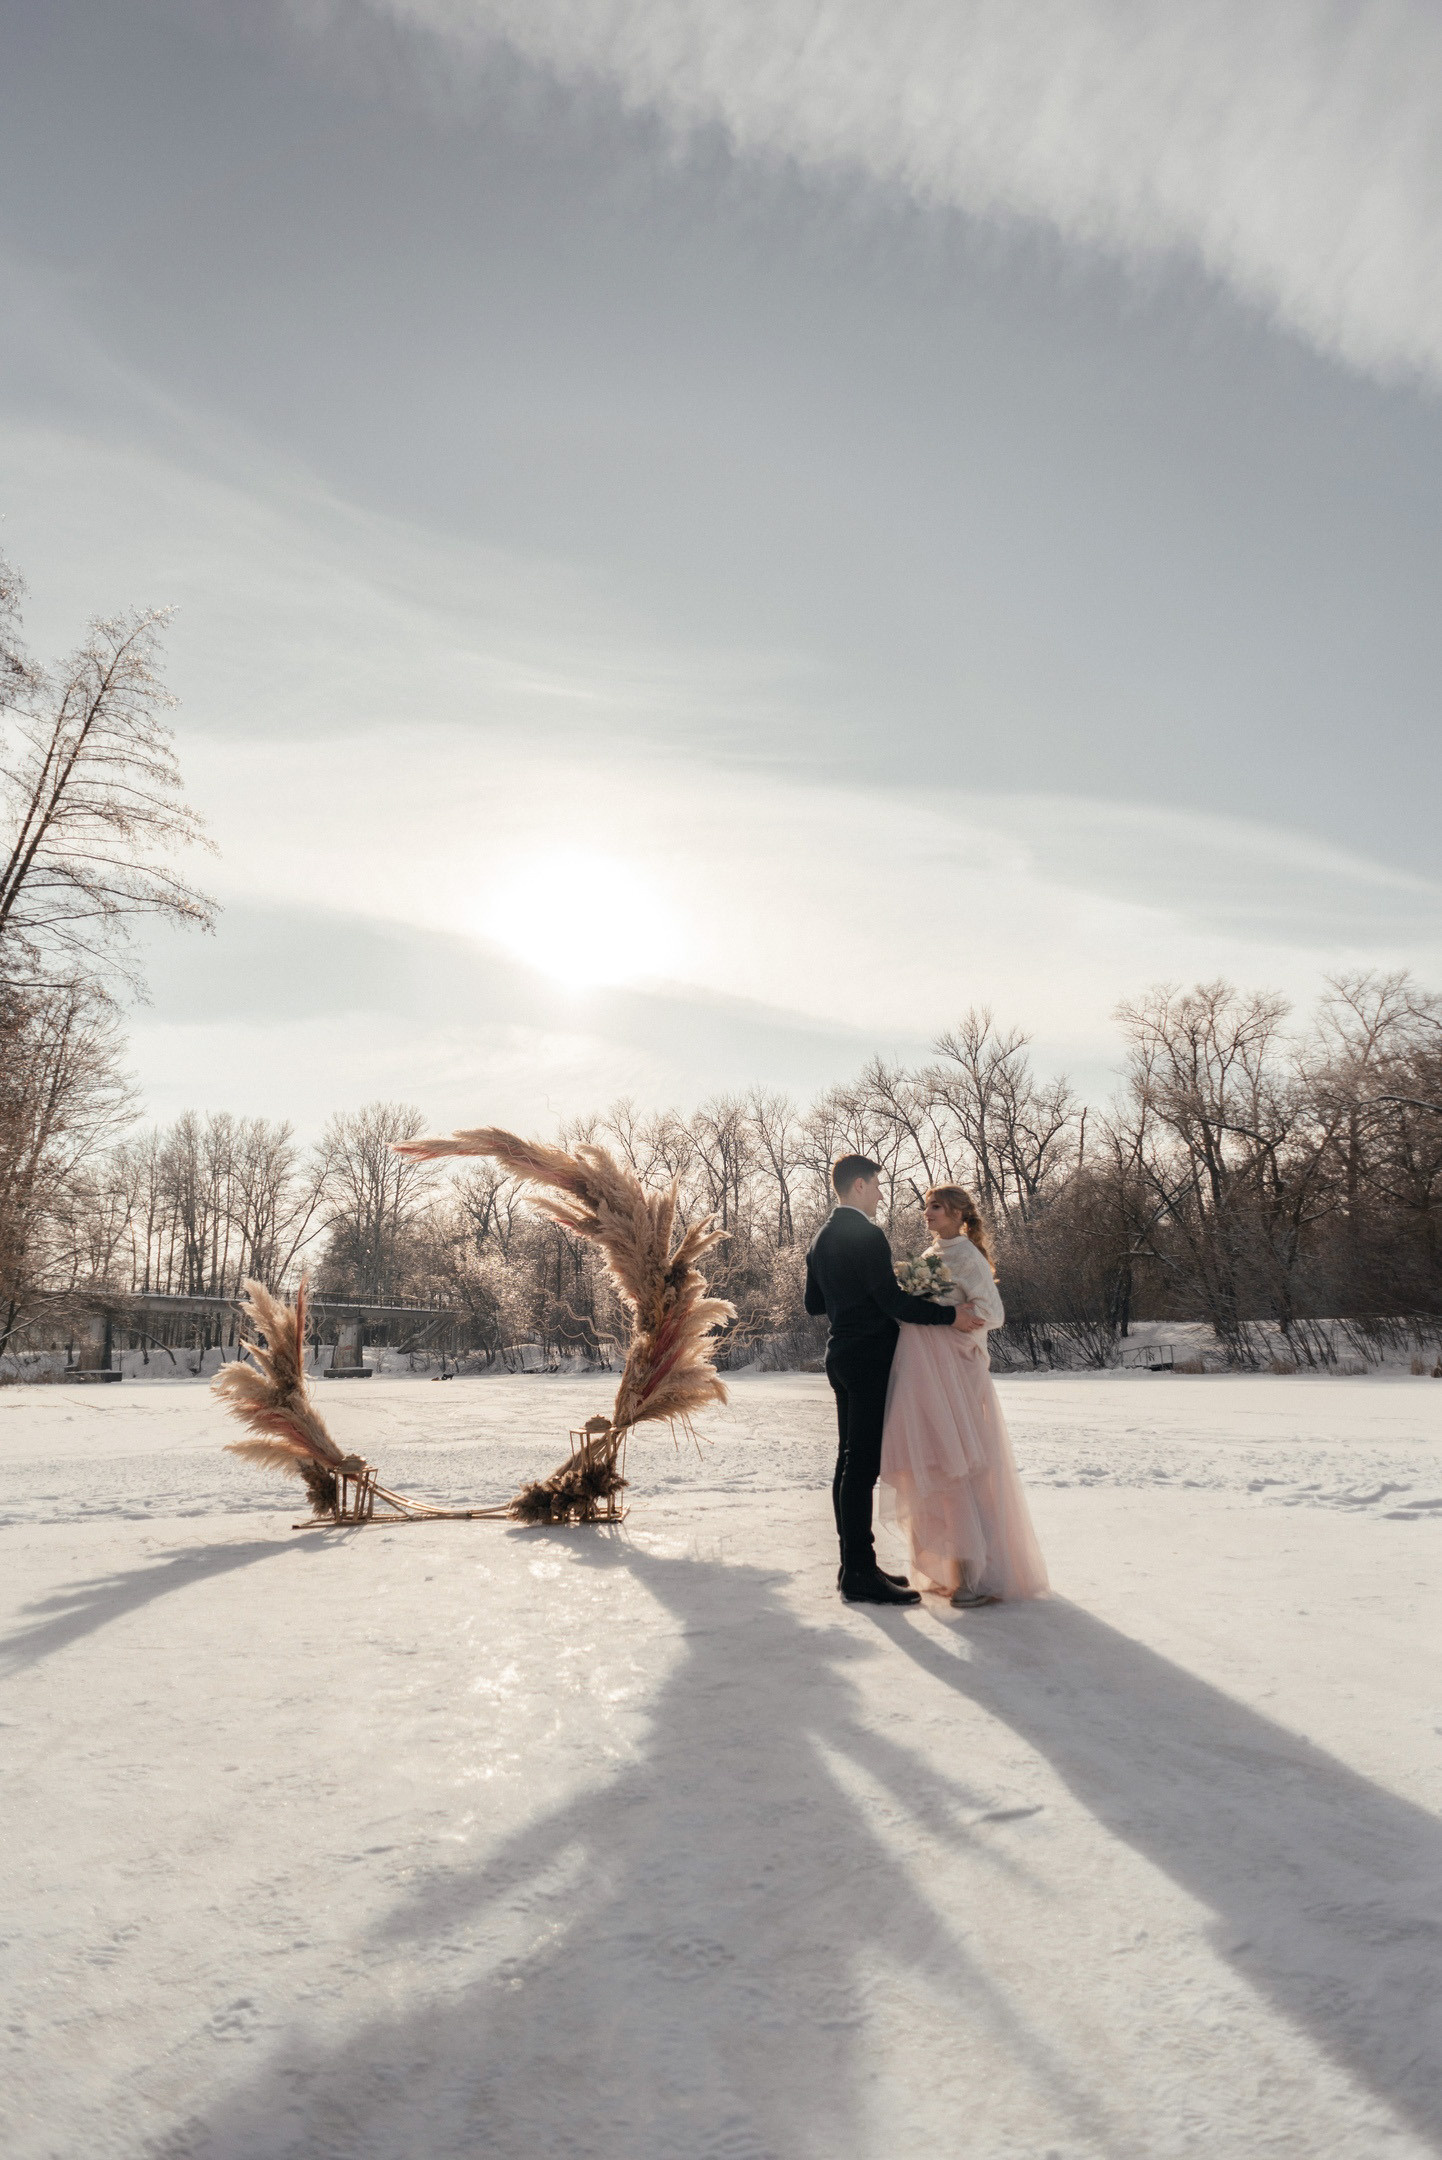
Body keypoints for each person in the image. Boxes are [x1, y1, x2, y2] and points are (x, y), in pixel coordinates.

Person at [804, 1155, 986, 1605]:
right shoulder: (865, 1234)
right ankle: (859, 1575)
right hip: (868, 1357)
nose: (882, 1195)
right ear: (861, 1186)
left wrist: (848, 1301)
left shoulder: (820, 1238)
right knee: (860, 1466)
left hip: (840, 1354)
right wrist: (949, 1315)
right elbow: (892, 1302)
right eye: (879, 1186)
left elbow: (813, 1303)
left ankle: (854, 1566)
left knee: (848, 1463)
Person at [879, 1184, 1049, 1608]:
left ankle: (975, 1576)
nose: (927, 1213)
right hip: (927, 1377)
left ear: (959, 1214)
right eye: (926, 1207)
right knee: (937, 1464)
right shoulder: (929, 1256)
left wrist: (951, 1318)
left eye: (935, 1207)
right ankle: (947, 1570)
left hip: (957, 1375)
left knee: (964, 1466)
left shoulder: (968, 1257)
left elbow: (992, 1314)